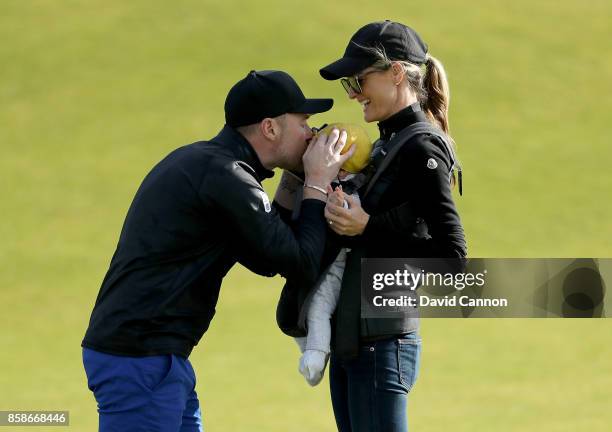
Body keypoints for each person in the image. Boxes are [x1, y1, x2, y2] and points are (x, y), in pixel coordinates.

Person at [81, 69, 354, 432]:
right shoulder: (226, 177)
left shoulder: (212, 166)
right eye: (303, 122)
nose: (311, 134)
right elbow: (300, 262)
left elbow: (270, 257)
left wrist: (300, 180)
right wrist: (317, 182)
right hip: (142, 358)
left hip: (153, 358)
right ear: (270, 127)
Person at [277, 21, 467, 431]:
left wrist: (366, 227)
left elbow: (453, 259)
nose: (353, 93)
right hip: (351, 343)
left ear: (396, 73)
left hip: (384, 346)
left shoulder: (421, 145)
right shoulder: (383, 144)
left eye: (359, 80)